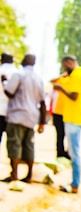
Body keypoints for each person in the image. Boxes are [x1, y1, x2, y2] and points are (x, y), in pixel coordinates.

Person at [2, 54, 46, 187]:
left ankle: (14, 174)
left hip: (17, 114)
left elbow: (10, 92)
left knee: (14, 143)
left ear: (24, 61)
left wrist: (4, 81)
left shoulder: (18, 74)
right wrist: (42, 122)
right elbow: (43, 103)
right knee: (28, 146)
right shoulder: (39, 79)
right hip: (32, 117)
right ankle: (29, 175)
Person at [52, 55, 81, 194]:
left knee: (74, 152)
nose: (64, 68)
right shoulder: (79, 75)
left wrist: (61, 89)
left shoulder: (77, 75)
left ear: (69, 63)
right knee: (74, 152)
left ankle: (75, 184)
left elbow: (74, 96)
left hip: (74, 119)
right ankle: (74, 182)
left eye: (64, 65)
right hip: (74, 118)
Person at [0, 52, 17, 146]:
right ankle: (13, 160)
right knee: (13, 141)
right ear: (13, 61)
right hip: (14, 111)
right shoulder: (18, 73)